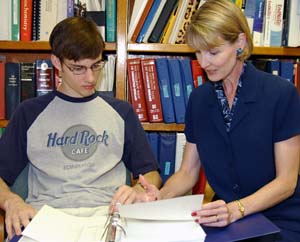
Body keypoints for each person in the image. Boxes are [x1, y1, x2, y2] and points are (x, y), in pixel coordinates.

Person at [140, 0, 300, 241]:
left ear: (240, 43)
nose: (203, 63)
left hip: (279, 220)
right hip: (224, 218)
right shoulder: (199, 99)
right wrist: (158, 198)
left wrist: (236, 209)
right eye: (197, 52)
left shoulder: (280, 94)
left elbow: (286, 182)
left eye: (213, 52)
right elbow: (188, 172)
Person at [0, 16, 162, 240]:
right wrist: (12, 201)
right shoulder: (28, 113)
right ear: (57, 63)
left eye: (96, 65)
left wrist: (138, 190)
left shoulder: (121, 112)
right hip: (46, 217)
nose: (90, 77)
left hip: (108, 215)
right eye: (78, 68)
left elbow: (151, 174)